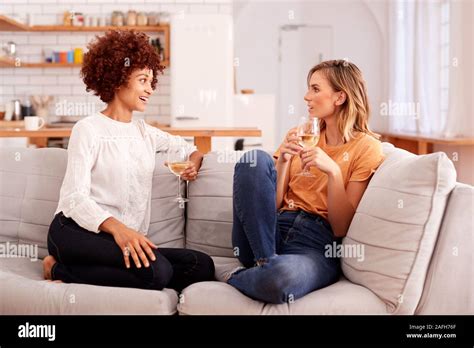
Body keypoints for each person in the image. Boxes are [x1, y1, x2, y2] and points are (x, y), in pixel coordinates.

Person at [43, 30, 215, 291]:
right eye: (142, 79)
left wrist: (194, 162)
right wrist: (119, 229)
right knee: (158, 272)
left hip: (121, 240)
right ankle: (57, 267)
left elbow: (189, 149)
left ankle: (81, 269)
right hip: (75, 230)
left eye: (151, 81)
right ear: (117, 79)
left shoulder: (145, 133)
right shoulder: (88, 129)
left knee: (201, 265)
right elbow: (74, 199)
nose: (149, 88)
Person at [227, 59, 384, 304]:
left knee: (280, 279)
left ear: (340, 97)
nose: (306, 96)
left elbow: (341, 227)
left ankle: (253, 274)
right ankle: (264, 261)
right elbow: (274, 204)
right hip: (267, 230)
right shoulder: (300, 134)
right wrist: (284, 162)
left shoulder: (367, 148)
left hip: (313, 245)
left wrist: (333, 172)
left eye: (315, 89)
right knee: (254, 159)